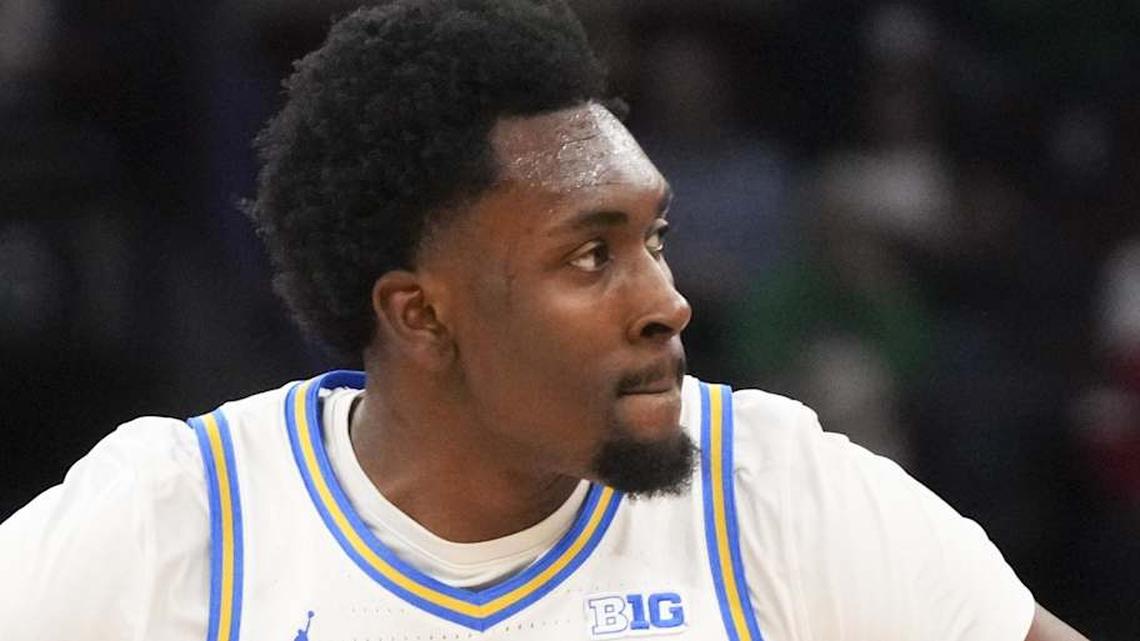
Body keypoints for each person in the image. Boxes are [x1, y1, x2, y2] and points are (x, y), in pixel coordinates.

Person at [0, 1, 1088, 639]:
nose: (666, 301)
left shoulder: (772, 484)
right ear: (423, 314)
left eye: (654, 239)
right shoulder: (178, 516)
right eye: (589, 255)